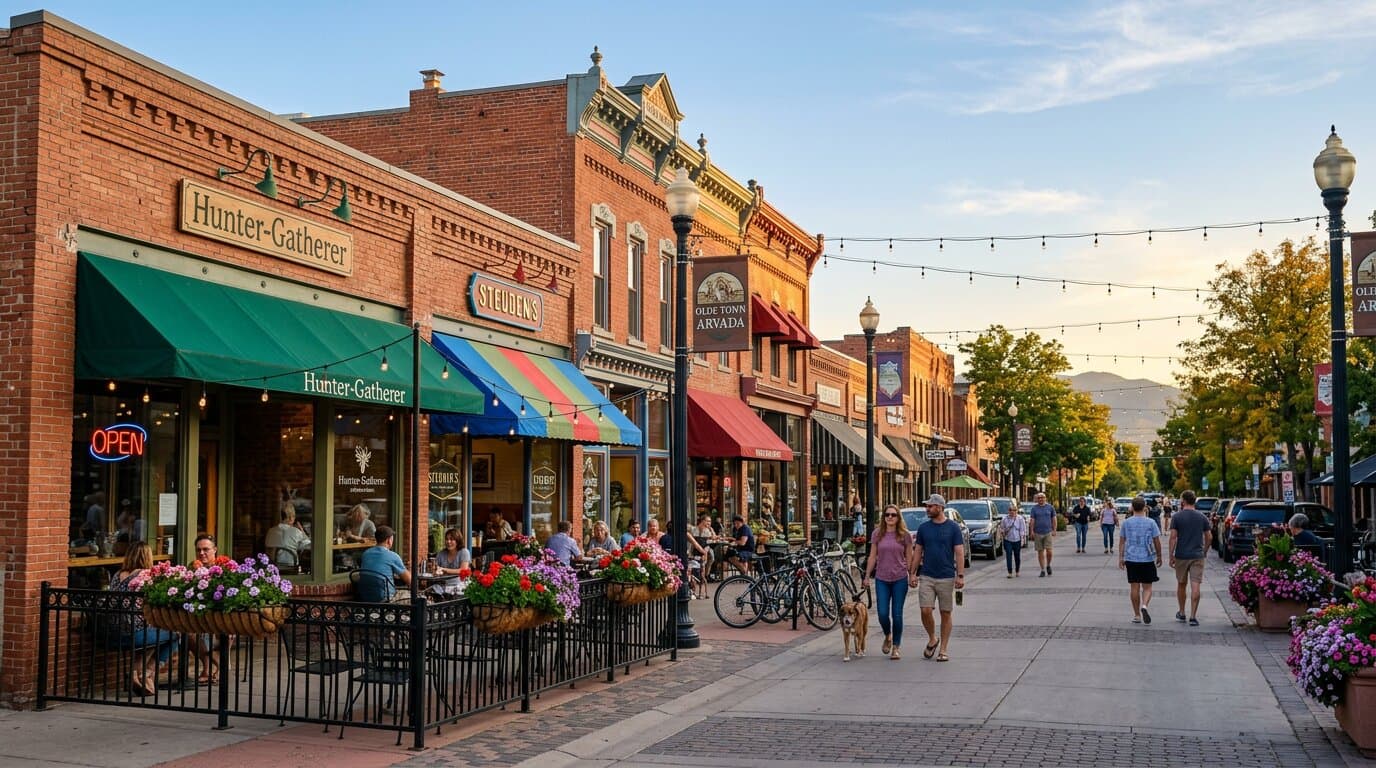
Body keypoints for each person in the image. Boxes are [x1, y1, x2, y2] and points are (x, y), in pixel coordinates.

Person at [108, 542, 178, 696]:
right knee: (175, 634)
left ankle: (138, 674)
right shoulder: (145, 575)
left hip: (112, 633)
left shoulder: (117, 574)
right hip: (135, 634)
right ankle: (146, 672)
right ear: (147, 556)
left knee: (152, 636)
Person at [913, 493, 965, 663]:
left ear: (940, 507)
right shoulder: (923, 528)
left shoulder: (953, 528)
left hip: (946, 576)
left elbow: (959, 552)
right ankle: (932, 638)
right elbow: (918, 551)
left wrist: (960, 575)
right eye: (926, 506)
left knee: (945, 612)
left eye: (930, 506)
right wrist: (912, 573)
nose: (927, 509)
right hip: (927, 574)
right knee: (925, 610)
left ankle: (943, 649)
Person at [861, 503, 915, 660]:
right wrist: (866, 575)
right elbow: (872, 556)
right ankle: (888, 635)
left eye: (893, 515)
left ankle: (896, 647)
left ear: (898, 517)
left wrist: (912, 574)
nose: (890, 517)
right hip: (881, 578)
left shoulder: (905, 535)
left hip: (899, 578)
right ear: (883, 517)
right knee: (882, 613)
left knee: (897, 614)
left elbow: (909, 557)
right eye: (887, 515)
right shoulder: (877, 534)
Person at [1168, 490, 1211, 627]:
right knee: (1195, 586)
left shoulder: (1177, 517)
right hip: (1197, 555)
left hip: (1181, 555)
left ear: (1183, 501)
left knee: (1181, 584)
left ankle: (1181, 612)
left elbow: (1173, 537)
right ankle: (1193, 616)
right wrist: (1204, 551)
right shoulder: (1202, 517)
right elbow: (1209, 537)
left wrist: (1171, 554)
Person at [1119, 496, 1162, 624]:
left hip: (1131, 558)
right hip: (1147, 559)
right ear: (1144, 507)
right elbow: (1156, 541)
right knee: (1147, 587)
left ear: (1132, 507)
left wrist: (1121, 557)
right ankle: (1144, 606)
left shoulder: (1126, 523)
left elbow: (1122, 541)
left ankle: (1137, 615)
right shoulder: (1151, 523)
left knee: (1134, 587)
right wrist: (1159, 555)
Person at [358, 525, 411, 602]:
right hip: (386, 598)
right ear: (388, 540)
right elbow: (409, 580)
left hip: (365, 596)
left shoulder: (366, 553)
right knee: (411, 595)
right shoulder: (393, 556)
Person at [266, 502, 311, 570]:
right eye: (294, 516)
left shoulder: (270, 531)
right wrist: (302, 530)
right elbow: (309, 546)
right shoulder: (296, 532)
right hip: (291, 568)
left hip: (272, 568)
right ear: (290, 518)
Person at [1028, 492, 1057, 577]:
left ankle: (1048, 565)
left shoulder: (1050, 507)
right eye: (1039, 498)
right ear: (1037, 499)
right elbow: (1032, 520)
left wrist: (1054, 530)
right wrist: (1031, 531)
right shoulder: (1034, 509)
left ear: (1045, 498)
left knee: (1049, 551)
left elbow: (1054, 519)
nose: (1040, 499)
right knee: (1040, 552)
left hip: (1048, 532)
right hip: (1038, 532)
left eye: (1042, 497)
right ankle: (1042, 569)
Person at [999, 503, 1028, 577]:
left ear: (1016, 511)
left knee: (1017, 556)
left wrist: (1022, 540)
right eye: (1010, 510)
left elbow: (1023, 530)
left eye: (1014, 510)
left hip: (1017, 540)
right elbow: (1001, 528)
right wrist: (1002, 531)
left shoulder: (1020, 519)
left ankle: (1017, 571)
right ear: (1008, 511)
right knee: (1008, 555)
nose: (1012, 512)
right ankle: (1010, 572)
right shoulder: (1005, 519)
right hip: (1008, 540)